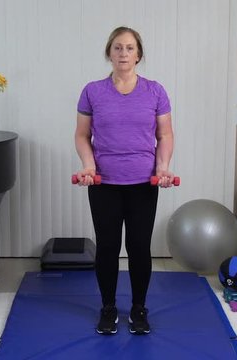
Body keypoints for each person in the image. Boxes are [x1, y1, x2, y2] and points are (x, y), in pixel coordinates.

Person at [74, 26, 175, 335]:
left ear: (138, 55)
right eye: (118, 48)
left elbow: (165, 134)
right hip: (104, 184)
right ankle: (107, 307)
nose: (123, 53)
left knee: (139, 247)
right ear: (109, 52)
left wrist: (163, 167)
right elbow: (81, 135)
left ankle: (139, 308)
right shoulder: (92, 91)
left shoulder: (155, 91)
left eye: (130, 48)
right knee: (107, 246)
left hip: (143, 184)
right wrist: (88, 164)